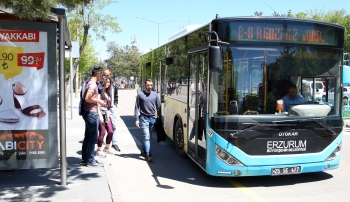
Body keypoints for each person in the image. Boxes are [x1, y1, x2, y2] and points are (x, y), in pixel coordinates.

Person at [81, 66, 106, 167]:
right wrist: (98, 100)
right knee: (92, 138)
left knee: (87, 137)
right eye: (101, 75)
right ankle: (91, 160)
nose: (101, 77)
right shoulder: (93, 85)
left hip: (88, 112)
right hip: (91, 113)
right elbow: (88, 98)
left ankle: (85, 158)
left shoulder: (89, 83)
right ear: (98, 74)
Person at [134, 78, 161, 162]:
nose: (150, 87)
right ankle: (149, 154)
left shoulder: (155, 95)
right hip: (143, 118)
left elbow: (159, 107)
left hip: (152, 119)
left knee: (147, 137)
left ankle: (143, 151)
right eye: (148, 85)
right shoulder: (140, 95)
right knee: (146, 137)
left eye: (151, 85)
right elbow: (136, 107)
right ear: (145, 85)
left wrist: (159, 118)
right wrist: (137, 119)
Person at [96, 77, 117, 157]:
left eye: (109, 82)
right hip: (100, 113)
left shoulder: (108, 92)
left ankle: (107, 148)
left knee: (111, 131)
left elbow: (109, 105)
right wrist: (100, 115)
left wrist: (109, 114)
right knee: (102, 132)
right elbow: (97, 105)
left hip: (107, 114)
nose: (108, 84)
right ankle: (99, 149)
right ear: (103, 82)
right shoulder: (99, 92)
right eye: (107, 82)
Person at [102, 69, 120, 152]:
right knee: (102, 125)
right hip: (103, 108)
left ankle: (114, 142)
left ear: (110, 75)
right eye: (105, 75)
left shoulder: (114, 85)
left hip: (112, 107)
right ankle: (101, 141)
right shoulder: (101, 85)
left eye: (108, 75)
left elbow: (116, 96)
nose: (106, 77)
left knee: (114, 125)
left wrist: (115, 104)